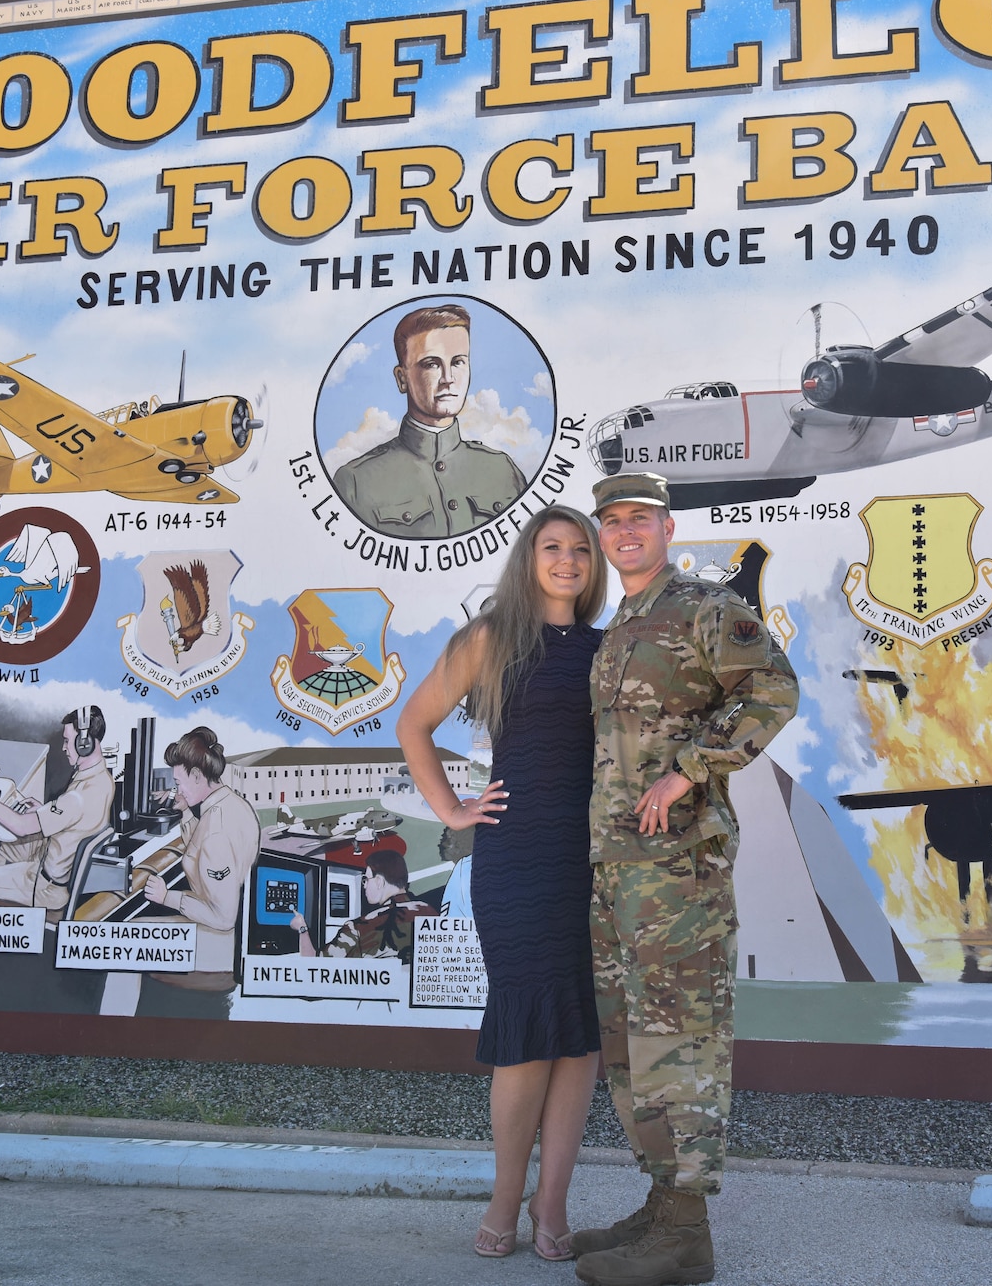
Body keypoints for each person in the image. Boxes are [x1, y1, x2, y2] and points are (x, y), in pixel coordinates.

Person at [575, 472, 799, 1286]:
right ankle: (663, 1202)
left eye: (641, 518)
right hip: (615, 866)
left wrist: (692, 770)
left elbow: (773, 687)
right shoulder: (621, 624)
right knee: (633, 1044)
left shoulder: (706, 608)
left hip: (678, 868)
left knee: (681, 1039)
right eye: (613, 520)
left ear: (667, 528)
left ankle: (688, 1233)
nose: (626, 531)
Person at [395, 504, 608, 1261]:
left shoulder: (608, 649)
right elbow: (412, 723)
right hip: (516, 859)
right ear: (529, 558)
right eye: (552, 546)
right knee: (525, 1032)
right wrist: (451, 809)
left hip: (592, 863)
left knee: (578, 1038)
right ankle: (504, 1196)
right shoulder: (492, 639)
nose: (568, 559)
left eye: (580, 549)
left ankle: (553, 1207)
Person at [332, 303, 528, 540]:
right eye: (431, 364)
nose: (448, 379)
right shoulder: (356, 481)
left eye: (458, 362)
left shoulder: (503, 470)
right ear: (402, 378)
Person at [0, 706, 115, 916]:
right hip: (54, 855)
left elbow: (21, 826)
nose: (64, 748)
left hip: (47, 886)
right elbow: (72, 816)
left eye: (66, 741)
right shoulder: (101, 779)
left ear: (84, 744)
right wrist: (44, 811)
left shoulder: (78, 798)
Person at [140, 726, 259, 992]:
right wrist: (184, 811)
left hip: (220, 942)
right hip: (230, 932)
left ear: (196, 775)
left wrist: (167, 897)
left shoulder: (215, 830)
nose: (176, 789)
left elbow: (224, 917)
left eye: (179, 783)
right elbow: (203, 847)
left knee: (127, 937)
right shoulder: (230, 805)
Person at [309, 849, 436, 960]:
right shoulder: (431, 913)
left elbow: (316, 966)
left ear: (379, 882)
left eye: (366, 879)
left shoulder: (357, 928)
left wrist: (302, 929)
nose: (364, 885)